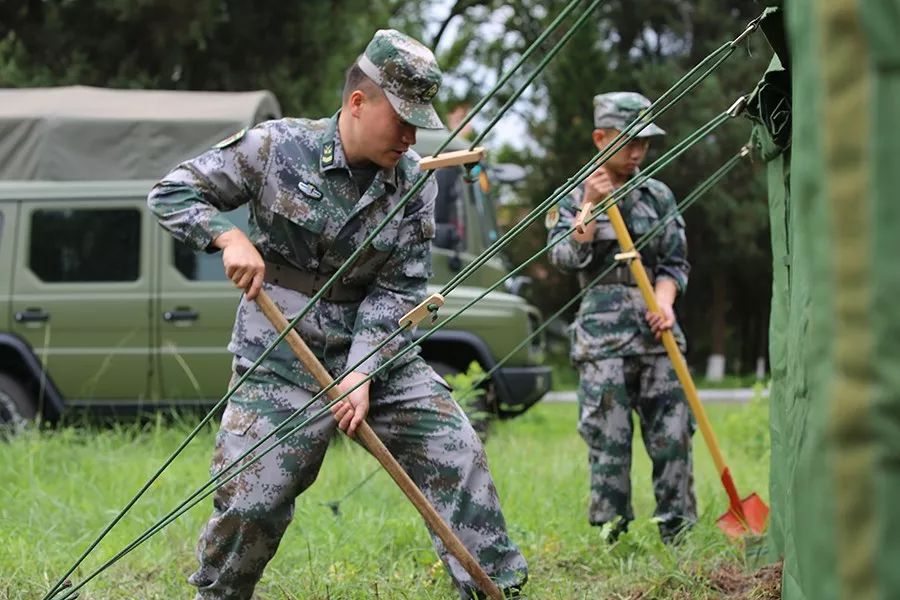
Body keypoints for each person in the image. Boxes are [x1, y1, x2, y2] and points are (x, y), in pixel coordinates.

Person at [147, 29, 527, 600]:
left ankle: (497, 591)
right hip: (281, 354)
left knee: (456, 450)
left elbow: (400, 289)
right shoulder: (275, 147)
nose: (409, 135)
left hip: (379, 356)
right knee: (252, 497)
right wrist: (227, 237)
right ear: (357, 102)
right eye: (400, 118)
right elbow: (172, 193)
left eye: (418, 122)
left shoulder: (414, 183)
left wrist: (362, 371)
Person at [545, 91, 697, 543]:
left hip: (657, 335)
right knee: (608, 442)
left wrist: (665, 302)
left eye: (645, 142)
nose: (637, 151)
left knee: (673, 436)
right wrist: (589, 206)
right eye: (628, 140)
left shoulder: (658, 195)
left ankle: (678, 532)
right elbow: (565, 258)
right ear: (600, 138)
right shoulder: (571, 195)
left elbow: (675, 263)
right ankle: (613, 536)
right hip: (602, 341)